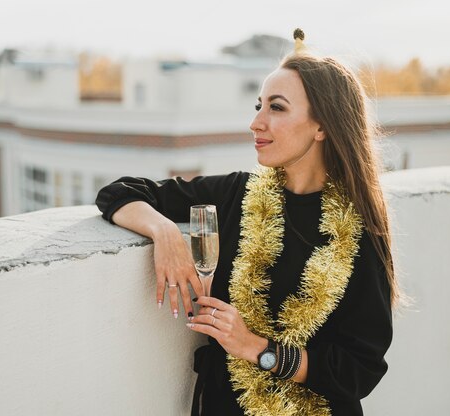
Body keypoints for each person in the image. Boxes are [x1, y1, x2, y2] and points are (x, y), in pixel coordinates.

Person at [95, 29, 397, 416]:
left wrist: (256, 348)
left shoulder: (359, 229)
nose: (256, 122)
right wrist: (164, 230)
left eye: (277, 107)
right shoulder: (235, 193)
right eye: (259, 105)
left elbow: (360, 370)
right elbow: (119, 193)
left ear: (322, 127)